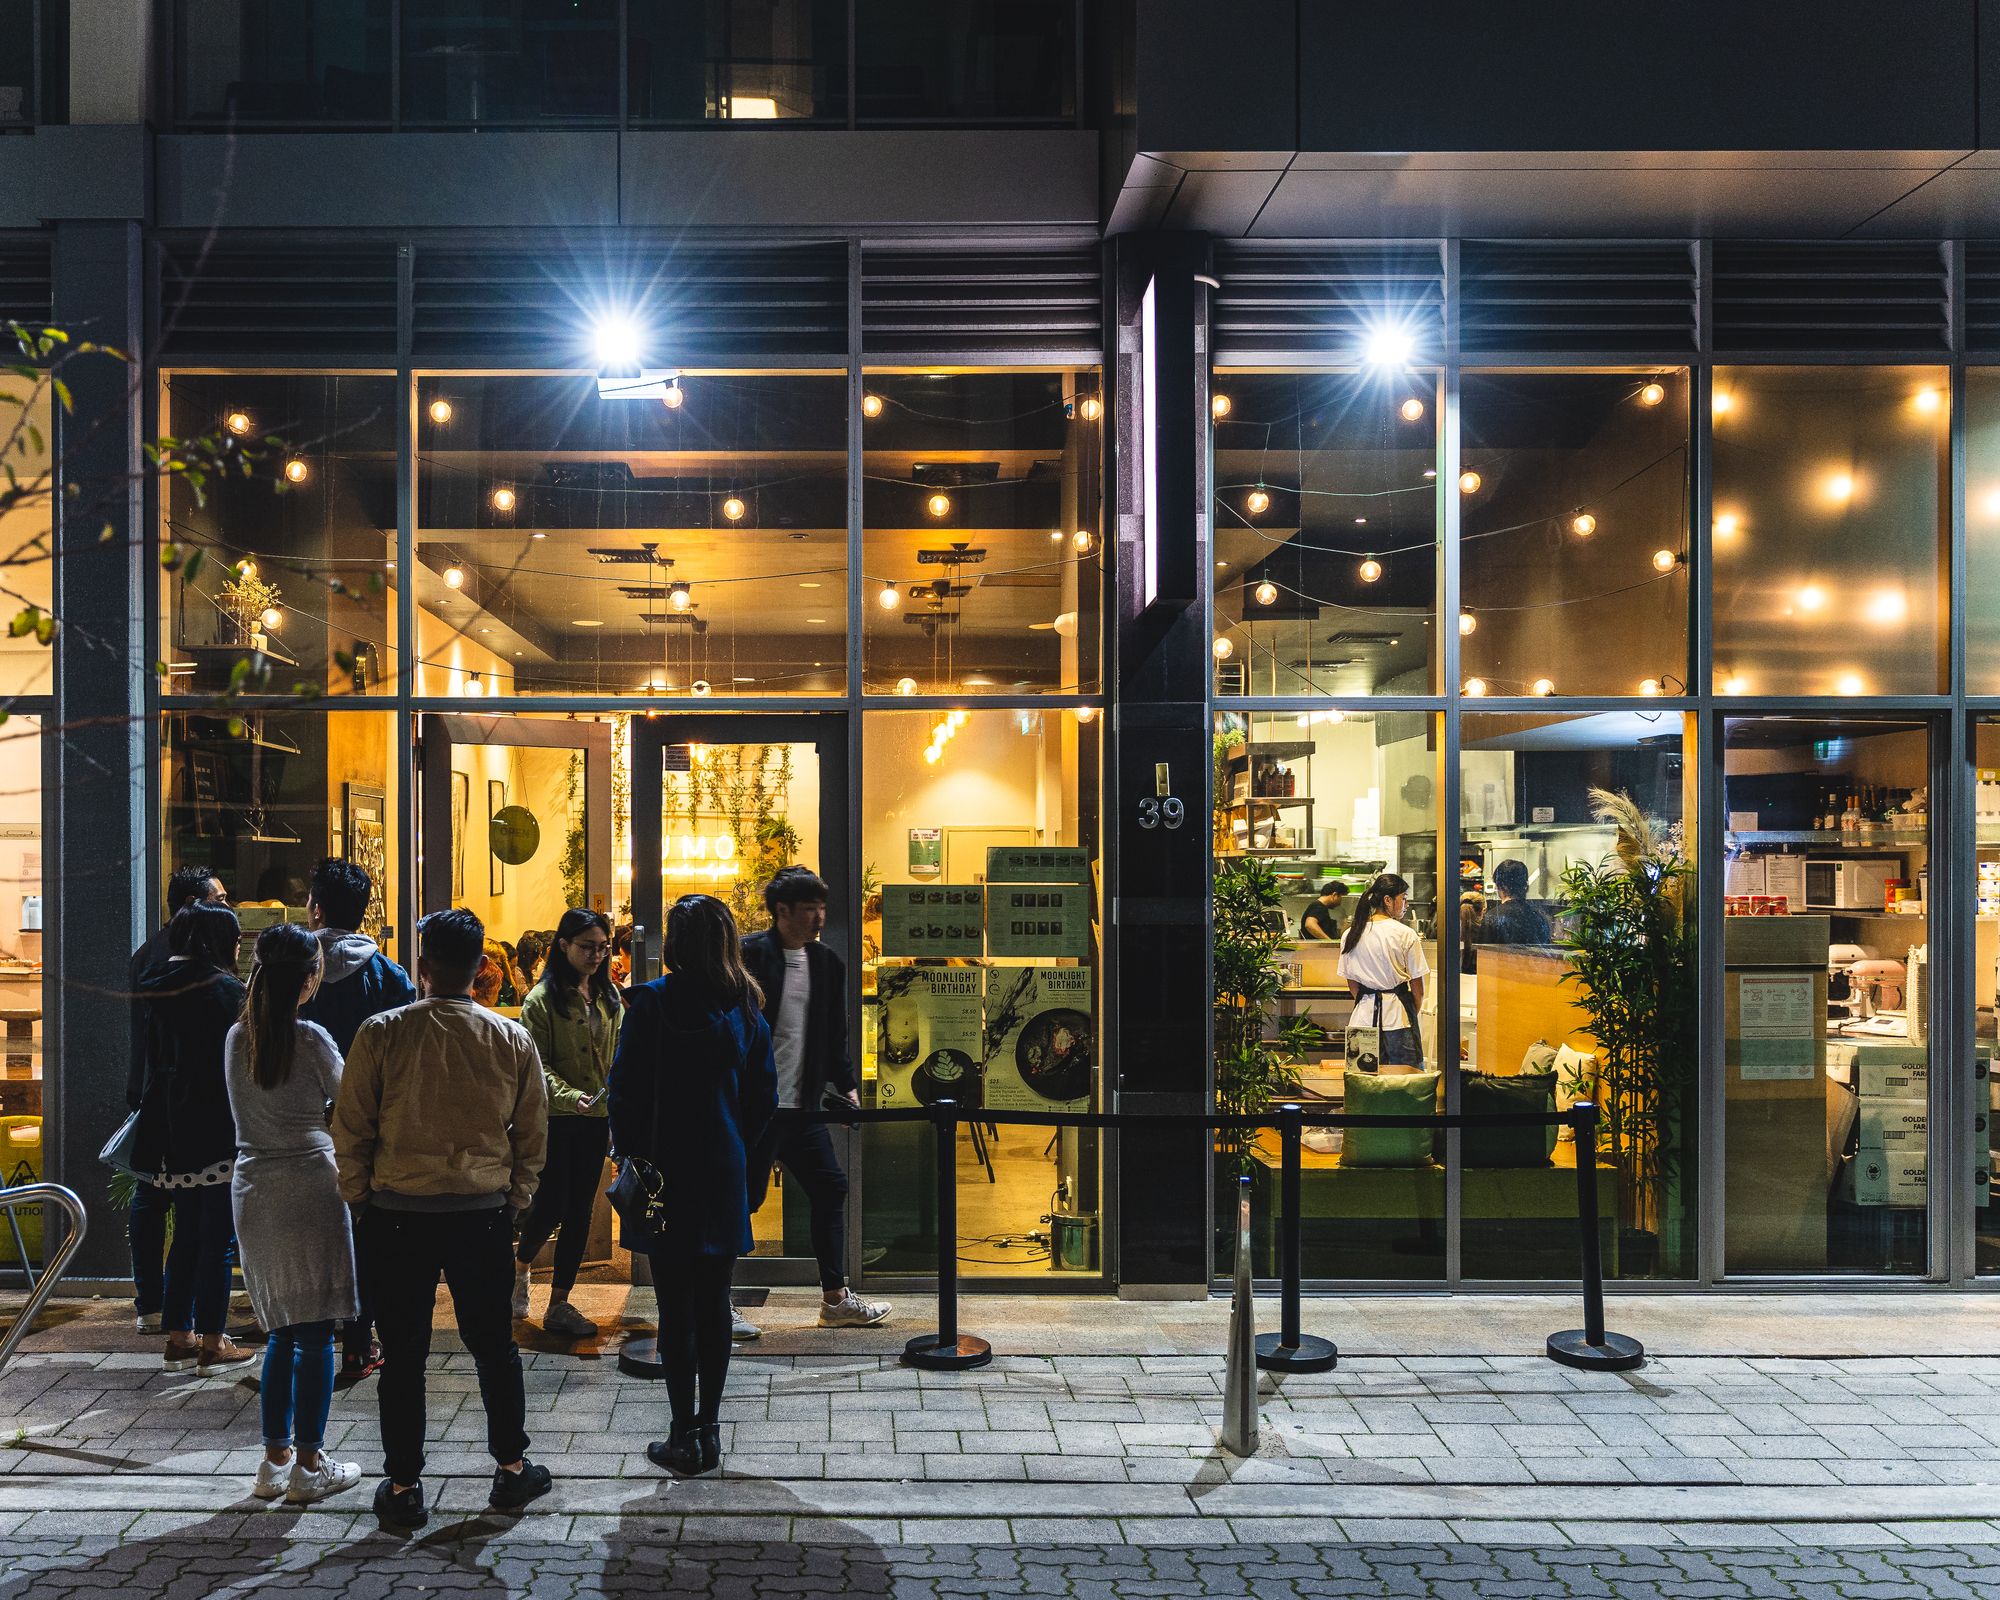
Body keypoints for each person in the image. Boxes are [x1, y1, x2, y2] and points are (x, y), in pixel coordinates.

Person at [332, 908, 552, 1533]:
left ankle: (404, 1485)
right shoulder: (510, 1038)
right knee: (494, 1350)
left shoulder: (381, 1033)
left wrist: (361, 1198)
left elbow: (350, 1129)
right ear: (482, 968)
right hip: (480, 1214)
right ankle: (511, 1469)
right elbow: (533, 1134)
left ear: (421, 966)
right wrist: (516, 1198)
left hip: (395, 1214)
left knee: (403, 1356)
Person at [609, 893, 778, 1478]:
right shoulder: (746, 1007)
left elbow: (624, 1092)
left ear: (676, 946)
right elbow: (764, 1102)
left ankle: (681, 1433)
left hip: (664, 1173)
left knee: (674, 1310)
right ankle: (709, 1429)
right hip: (723, 1169)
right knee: (714, 1306)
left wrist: (625, 1156)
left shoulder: (649, 1004)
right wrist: (747, 1164)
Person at [224, 923, 362, 1505]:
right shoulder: (312, 1040)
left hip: (254, 1187)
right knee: (317, 1334)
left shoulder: (237, 1038)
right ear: (309, 977)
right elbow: (353, 1102)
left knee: (280, 1328)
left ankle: (273, 1461)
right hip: (309, 1182)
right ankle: (310, 1466)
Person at [738, 867, 891, 1334]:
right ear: (781, 911)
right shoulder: (749, 955)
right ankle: (716, 1298)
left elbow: (831, 1033)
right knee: (739, 1199)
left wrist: (845, 1085)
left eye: (821, 907)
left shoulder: (826, 963)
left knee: (830, 1187)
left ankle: (835, 1299)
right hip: (753, 1109)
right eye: (809, 909)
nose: (819, 917)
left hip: (801, 1108)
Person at [298, 857, 415, 1384]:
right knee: (361, 1231)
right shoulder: (389, 975)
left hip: (302, 1125)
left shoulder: (291, 973)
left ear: (315, 907)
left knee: (314, 1233)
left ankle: (311, 1338)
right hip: (370, 1123)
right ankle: (359, 1340)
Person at [132, 901, 257, 1376]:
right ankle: (212, 1339)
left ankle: (180, 1335)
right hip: (216, 1122)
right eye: (235, 938)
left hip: (170, 1124)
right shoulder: (225, 991)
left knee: (186, 1231)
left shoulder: (156, 985)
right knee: (218, 1236)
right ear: (218, 941)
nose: (239, 946)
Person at [126, 865, 227, 1335]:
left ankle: (169, 1317)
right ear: (194, 906)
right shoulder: (190, 965)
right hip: (191, 1108)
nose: (228, 905)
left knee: (175, 1214)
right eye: (220, 899)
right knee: (190, 1220)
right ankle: (171, 1314)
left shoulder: (152, 957)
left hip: (161, 1099)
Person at [513, 908, 622, 1338]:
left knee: (581, 1209)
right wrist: (570, 1096)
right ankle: (521, 1267)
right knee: (552, 1203)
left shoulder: (610, 996)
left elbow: (617, 1054)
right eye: (587, 947)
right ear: (563, 947)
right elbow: (536, 1066)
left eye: (603, 947)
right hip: (559, 1118)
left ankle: (560, 1301)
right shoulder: (541, 1001)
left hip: (598, 1118)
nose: (597, 955)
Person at [1336, 873, 1431, 1070]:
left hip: (1362, 1018)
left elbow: (1352, 983)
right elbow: (1417, 987)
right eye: (1403, 898)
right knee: (1406, 1082)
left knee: (1362, 1080)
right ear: (1388, 900)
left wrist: (1367, 998)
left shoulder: (1350, 934)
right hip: (1399, 1019)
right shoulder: (1406, 934)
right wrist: (1410, 1009)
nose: (1406, 904)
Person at [1478, 858, 1555, 947]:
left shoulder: (1492, 917)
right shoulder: (1540, 917)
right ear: (1525, 886)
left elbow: (1484, 955)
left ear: (1501, 886)